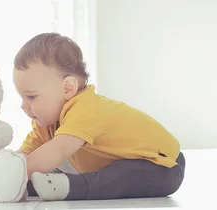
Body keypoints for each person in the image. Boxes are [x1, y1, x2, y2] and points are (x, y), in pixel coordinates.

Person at [12, 32, 186, 201]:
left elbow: (58, 150)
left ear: (67, 88)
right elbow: (26, 156)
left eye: (31, 97)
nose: (23, 106)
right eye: (22, 97)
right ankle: (32, 187)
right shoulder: (45, 122)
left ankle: (70, 187)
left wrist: (13, 177)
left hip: (163, 166)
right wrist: (1, 171)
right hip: (123, 163)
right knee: (42, 171)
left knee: (121, 175)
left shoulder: (86, 108)